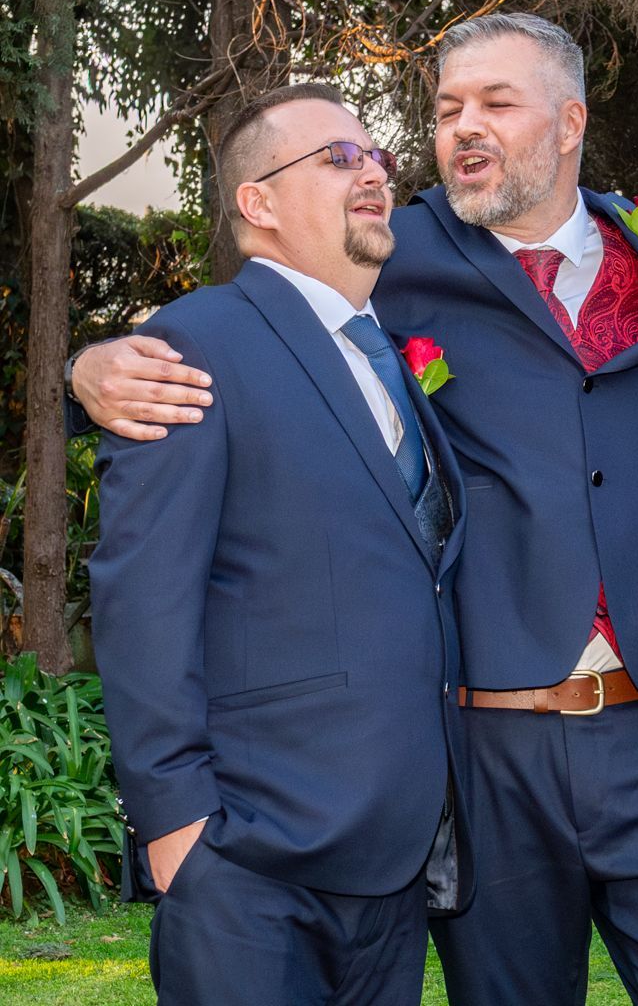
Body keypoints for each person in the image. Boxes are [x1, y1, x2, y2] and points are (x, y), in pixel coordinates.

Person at [74, 14, 638, 1005]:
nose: (462, 128)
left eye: (496, 102)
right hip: (484, 749)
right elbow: (235, 356)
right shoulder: (392, 256)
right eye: (446, 110)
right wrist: (88, 369)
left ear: (570, 122)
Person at [90, 82, 467, 1005]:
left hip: (394, 863)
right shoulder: (194, 342)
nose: (372, 173)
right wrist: (177, 827)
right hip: (249, 862)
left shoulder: (389, 356)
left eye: (376, 156)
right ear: (257, 202)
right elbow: (143, 598)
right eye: (337, 157)